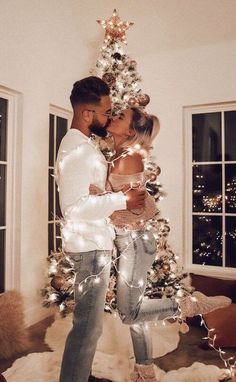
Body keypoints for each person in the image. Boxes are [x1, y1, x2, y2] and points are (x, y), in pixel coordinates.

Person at [105, 107, 231, 382]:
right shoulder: (122, 156)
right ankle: (145, 371)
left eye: (120, 116)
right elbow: (144, 205)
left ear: (129, 131)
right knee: (136, 313)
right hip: (133, 240)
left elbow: (131, 209)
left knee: (129, 313)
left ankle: (186, 305)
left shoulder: (125, 159)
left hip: (133, 243)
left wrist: (97, 199)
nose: (113, 116)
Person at [55, 76, 146, 382]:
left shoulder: (83, 146)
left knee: (88, 325)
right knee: (88, 327)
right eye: (106, 112)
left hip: (96, 244)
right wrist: (124, 198)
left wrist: (107, 197)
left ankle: (81, 374)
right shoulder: (76, 150)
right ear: (86, 114)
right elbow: (74, 208)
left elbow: (88, 198)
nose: (109, 118)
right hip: (90, 248)